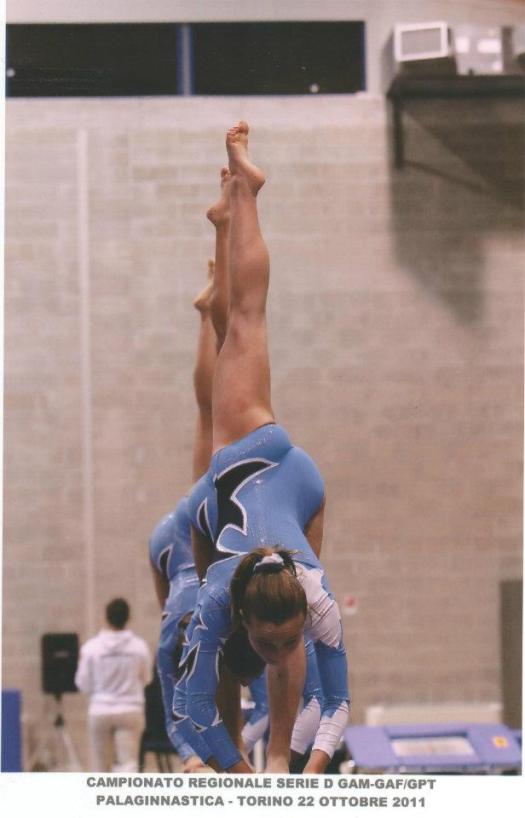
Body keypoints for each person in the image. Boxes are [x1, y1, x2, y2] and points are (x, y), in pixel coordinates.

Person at [175, 122, 350, 774]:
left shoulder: (247, 599)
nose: (277, 651)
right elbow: (334, 700)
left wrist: (272, 781)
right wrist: (255, 777)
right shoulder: (297, 599)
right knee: (247, 319)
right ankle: (246, 193)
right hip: (258, 460)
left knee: (230, 338)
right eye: (272, 642)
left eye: (280, 642)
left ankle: (228, 222)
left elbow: (192, 706)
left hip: (282, 487)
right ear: (245, 617)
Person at [75, 598, 151, 772]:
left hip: (100, 709)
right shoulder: (139, 647)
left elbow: (83, 683)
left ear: (106, 617)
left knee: (100, 766)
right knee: (129, 764)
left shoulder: (91, 648)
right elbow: (146, 679)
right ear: (128, 617)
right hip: (130, 709)